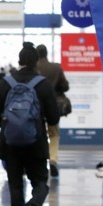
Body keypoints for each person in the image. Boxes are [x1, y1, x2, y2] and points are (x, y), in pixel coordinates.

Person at [0, 43, 60, 206]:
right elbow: (54, 117)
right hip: (36, 142)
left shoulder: (5, 83)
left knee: (15, 184)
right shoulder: (43, 84)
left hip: (10, 144)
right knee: (39, 182)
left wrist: (9, 125)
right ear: (36, 61)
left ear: (19, 61)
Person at [35, 44, 71, 177]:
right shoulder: (56, 67)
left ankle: (38, 161)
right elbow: (65, 86)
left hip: (36, 108)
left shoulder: (34, 69)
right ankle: (53, 160)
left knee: (37, 135)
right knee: (54, 134)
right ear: (47, 53)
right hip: (53, 106)